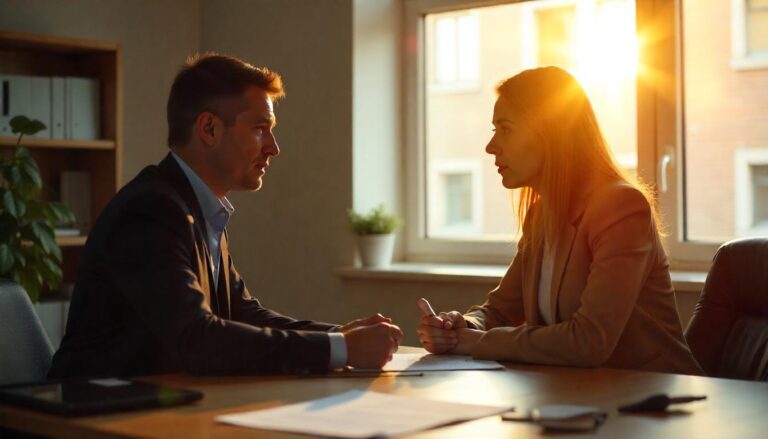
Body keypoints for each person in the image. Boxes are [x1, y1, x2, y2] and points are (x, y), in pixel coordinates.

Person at [48, 53, 402, 379]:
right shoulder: (151, 210)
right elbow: (197, 339)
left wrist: (339, 335)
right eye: (260, 128)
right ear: (210, 129)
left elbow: (241, 313)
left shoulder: (196, 205)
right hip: (93, 418)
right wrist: (341, 349)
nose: (273, 148)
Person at [417, 67, 702, 375]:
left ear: (551, 132)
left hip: (660, 404)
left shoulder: (621, 207)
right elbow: (500, 309)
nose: (491, 146)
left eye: (506, 129)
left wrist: (476, 342)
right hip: (584, 397)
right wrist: (460, 326)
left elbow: (589, 341)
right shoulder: (542, 214)